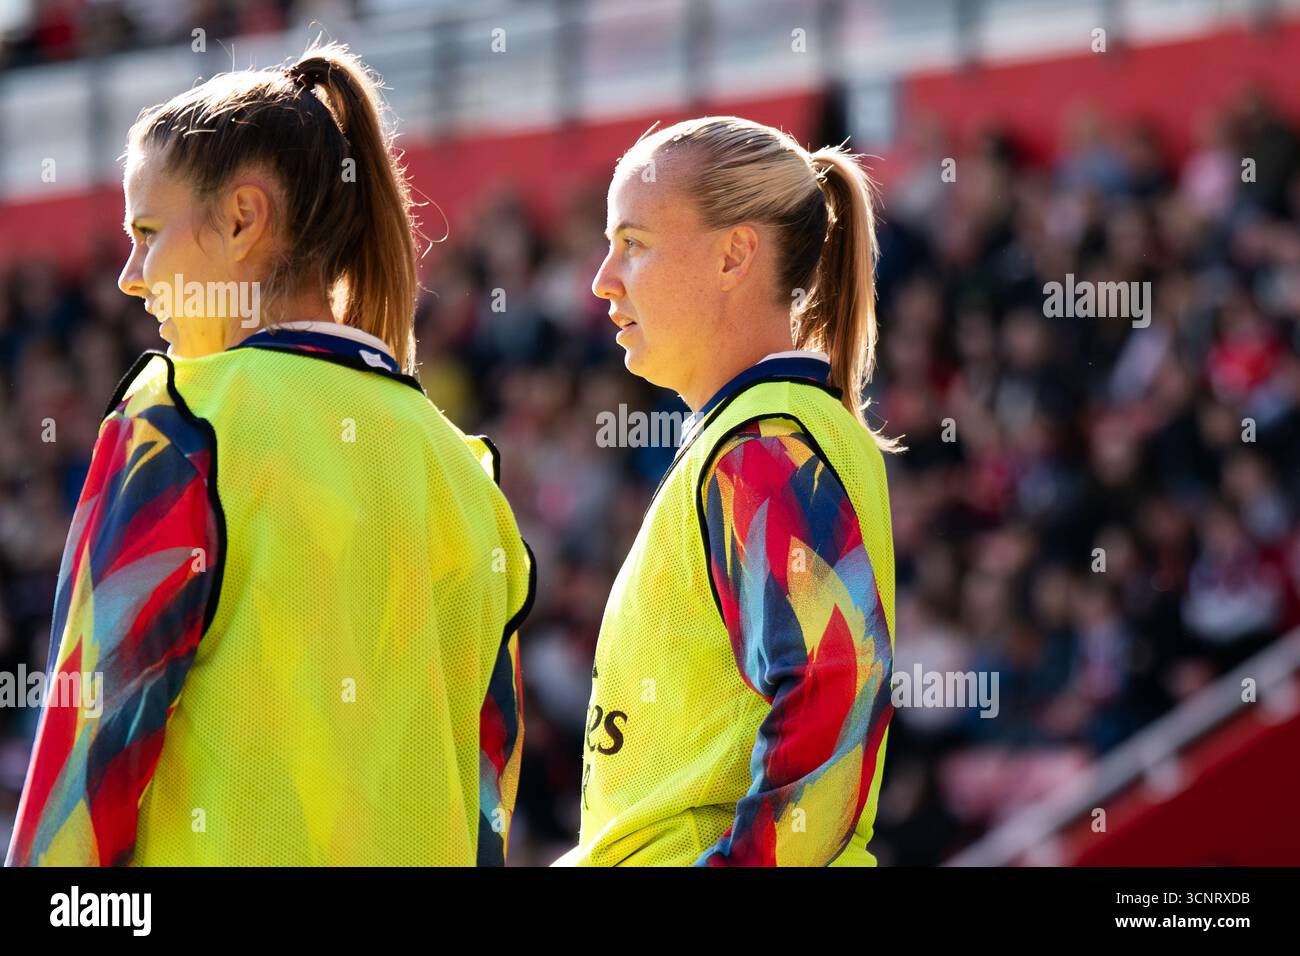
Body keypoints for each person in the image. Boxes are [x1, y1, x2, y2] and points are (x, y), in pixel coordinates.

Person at [5, 42, 534, 866]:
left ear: (244, 219)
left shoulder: (178, 422)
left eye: (147, 233)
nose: (130, 277)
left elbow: (86, 761)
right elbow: (489, 803)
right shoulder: (465, 472)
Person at [556, 116, 901, 866]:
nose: (602, 278)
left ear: (734, 254)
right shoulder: (768, 429)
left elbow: (837, 681)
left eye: (634, 243)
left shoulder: (762, 445)